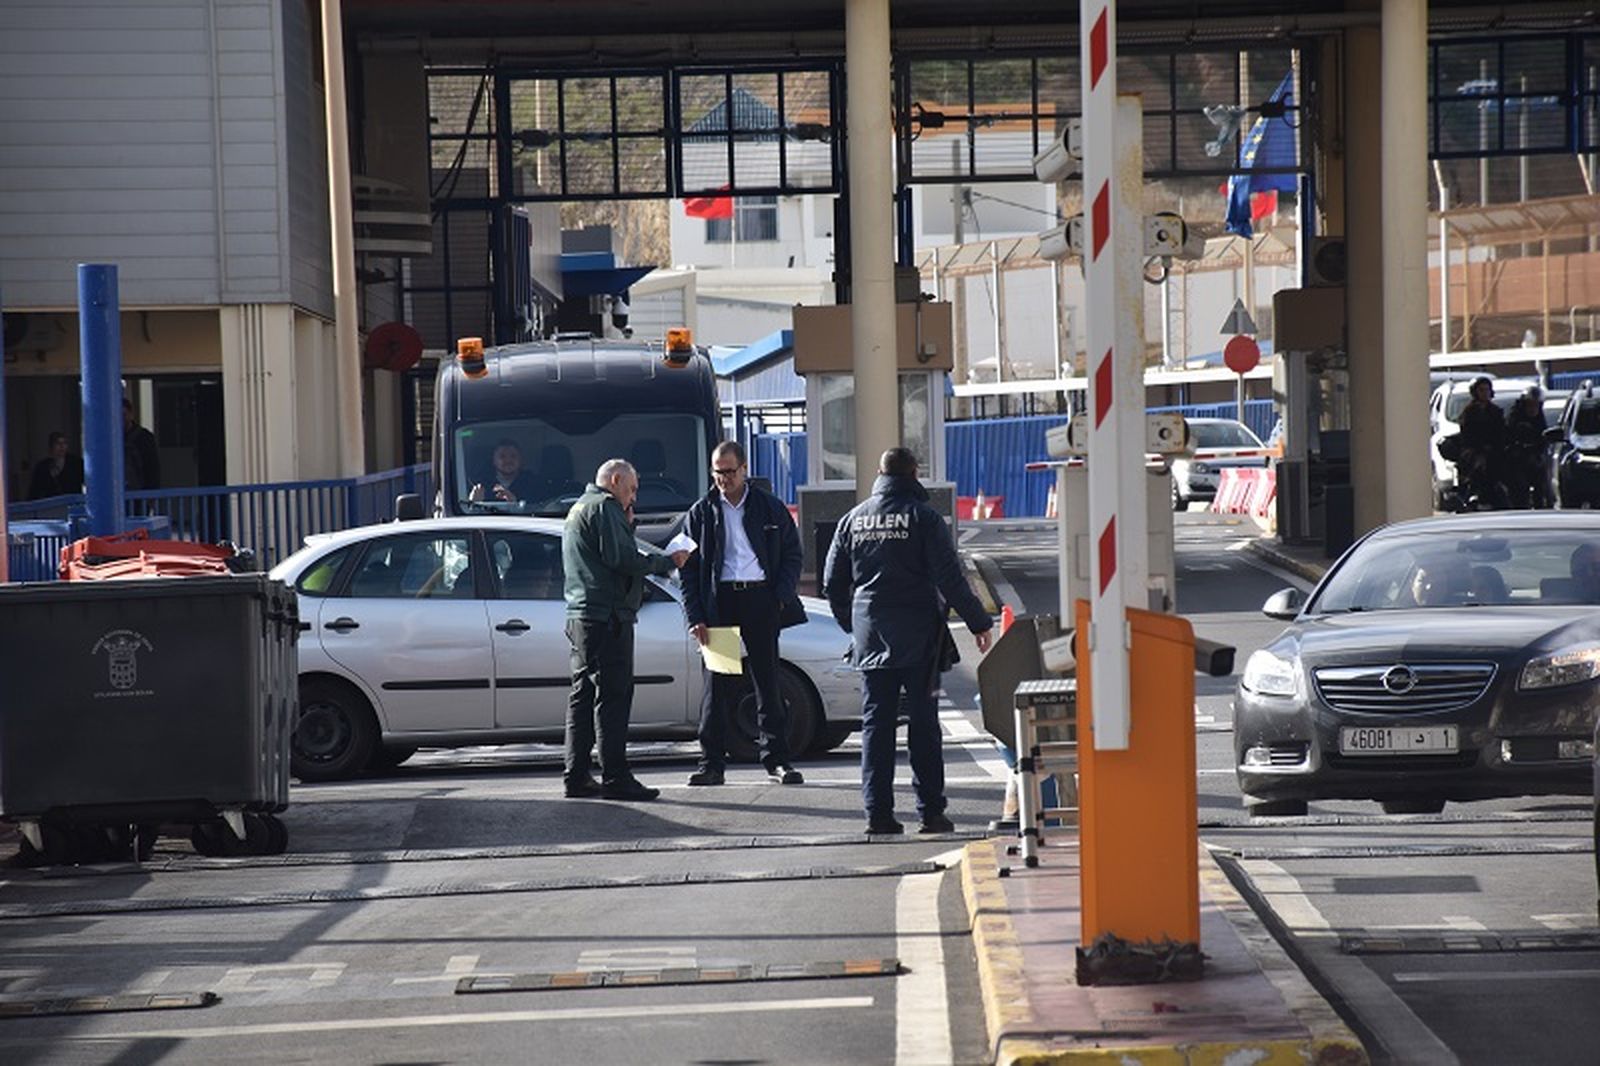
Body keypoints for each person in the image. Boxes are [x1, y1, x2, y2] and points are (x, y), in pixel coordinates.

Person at [822, 447, 994, 835]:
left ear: (880, 474)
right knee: (923, 726)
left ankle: (877, 814)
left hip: (871, 634)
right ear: (914, 473)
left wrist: (852, 625)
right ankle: (931, 812)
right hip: (919, 637)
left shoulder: (853, 519)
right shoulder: (924, 518)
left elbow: (833, 583)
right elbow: (950, 579)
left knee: (876, 727)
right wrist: (979, 622)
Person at [679, 440, 806, 787]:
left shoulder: (768, 507)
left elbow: (793, 554)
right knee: (716, 686)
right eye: (718, 473)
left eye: (730, 472)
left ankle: (777, 761)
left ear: (745, 469)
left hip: (761, 600)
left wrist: (780, 596)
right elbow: (687, 570)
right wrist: (696, 616)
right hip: (720, 603)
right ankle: (712, 764)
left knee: (767, 682)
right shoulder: (701, 512)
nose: (724, 480)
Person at [561, 458, 689, 802]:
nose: (633, 497)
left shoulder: (580, 508)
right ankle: (616, 777)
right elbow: (623, 559)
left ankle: (576, 775)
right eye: (631, 489)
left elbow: (609, 553)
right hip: (607, 617)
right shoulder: (604, 508)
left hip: (583, 617)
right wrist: (666, 562)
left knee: (583, 697)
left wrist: (626, 526)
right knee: (613, 699)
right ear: (615, 480)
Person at [1455, 377, 1505, 508]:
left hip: (1495, 451)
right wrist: (1480, 448)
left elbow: (1501, 433)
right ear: (1475, 392)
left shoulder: (1496, 411)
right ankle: (1477, 495)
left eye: (1487, 390)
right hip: (1473, 451)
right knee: (1479, 465)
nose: (1485, 393)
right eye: (1481, 390)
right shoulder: (1469, 412)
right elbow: (1467, 435)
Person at [1505, 385, 1550, 508]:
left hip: (1534, 458)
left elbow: (1543, 437)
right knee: (1520, 486)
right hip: (1516, 460)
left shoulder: (1540, 419)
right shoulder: (1514, 417)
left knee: (1541, 482)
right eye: (1530, 404)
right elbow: (1507, 436)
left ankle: (1540, 505)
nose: (1532, 409)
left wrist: (1540, 448)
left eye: (1536, 405)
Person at [469, 439, 542, 506]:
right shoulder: (481, 484)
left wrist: (516, 504)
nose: (508, 461)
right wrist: (474, 503)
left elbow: (540, 509)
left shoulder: (533, 483)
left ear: (521, 460)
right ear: (494, 461)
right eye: (502, 456)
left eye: (513, 456)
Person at [27, 431, 84, 500]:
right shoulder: (42, 467)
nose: (62, 446)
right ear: (51, 446)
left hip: (73, 504)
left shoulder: (76, 463)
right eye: (58, 443)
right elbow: (34, 492)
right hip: (52, 506)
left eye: (64, 443)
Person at [123, 398, 160, 490]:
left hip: (140, 494)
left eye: (124, 415)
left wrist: (151, 495)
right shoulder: (108, 440)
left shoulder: (145, 438)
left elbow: (152, 468)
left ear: (131, 415)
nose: (121, 419)